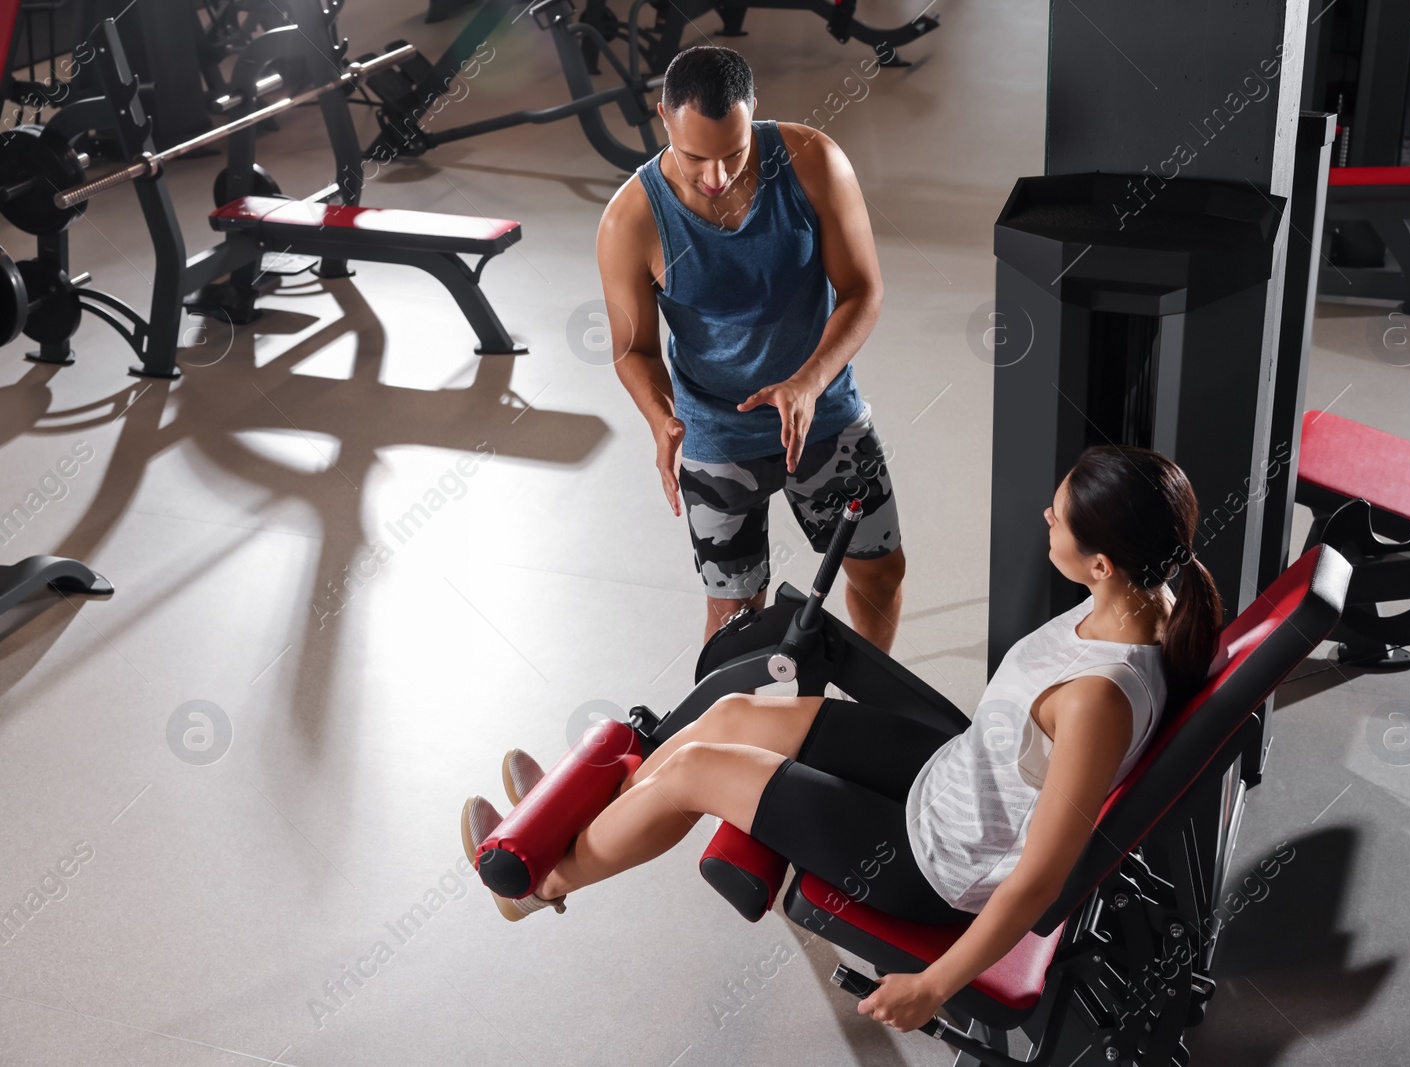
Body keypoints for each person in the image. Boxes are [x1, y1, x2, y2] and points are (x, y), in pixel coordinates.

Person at [459, 445, 1224, 1034]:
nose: (1045, 519)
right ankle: (580, 819)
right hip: (950, 778)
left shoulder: (1099, 700)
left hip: (931, 864)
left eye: (1059, 517)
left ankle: (539, 882)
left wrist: (936, 984)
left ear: (1101, 562)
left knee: (695, 767)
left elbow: (1038, 880)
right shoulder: (1149, 596)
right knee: (727, 716)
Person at [595, 45, 906, 652]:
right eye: (694, 158)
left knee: (879, 571)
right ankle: (707, 746)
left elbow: (862, 290)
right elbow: (633, 351)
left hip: (825, 413)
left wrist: (809, 381)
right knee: (736, 615)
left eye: (734, 154)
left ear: (754, 113)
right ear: (663, 117)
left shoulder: (813, 160)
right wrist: (662, 421)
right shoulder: (630, 220)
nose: (717, 176)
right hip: (717, 433)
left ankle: (859, 720)